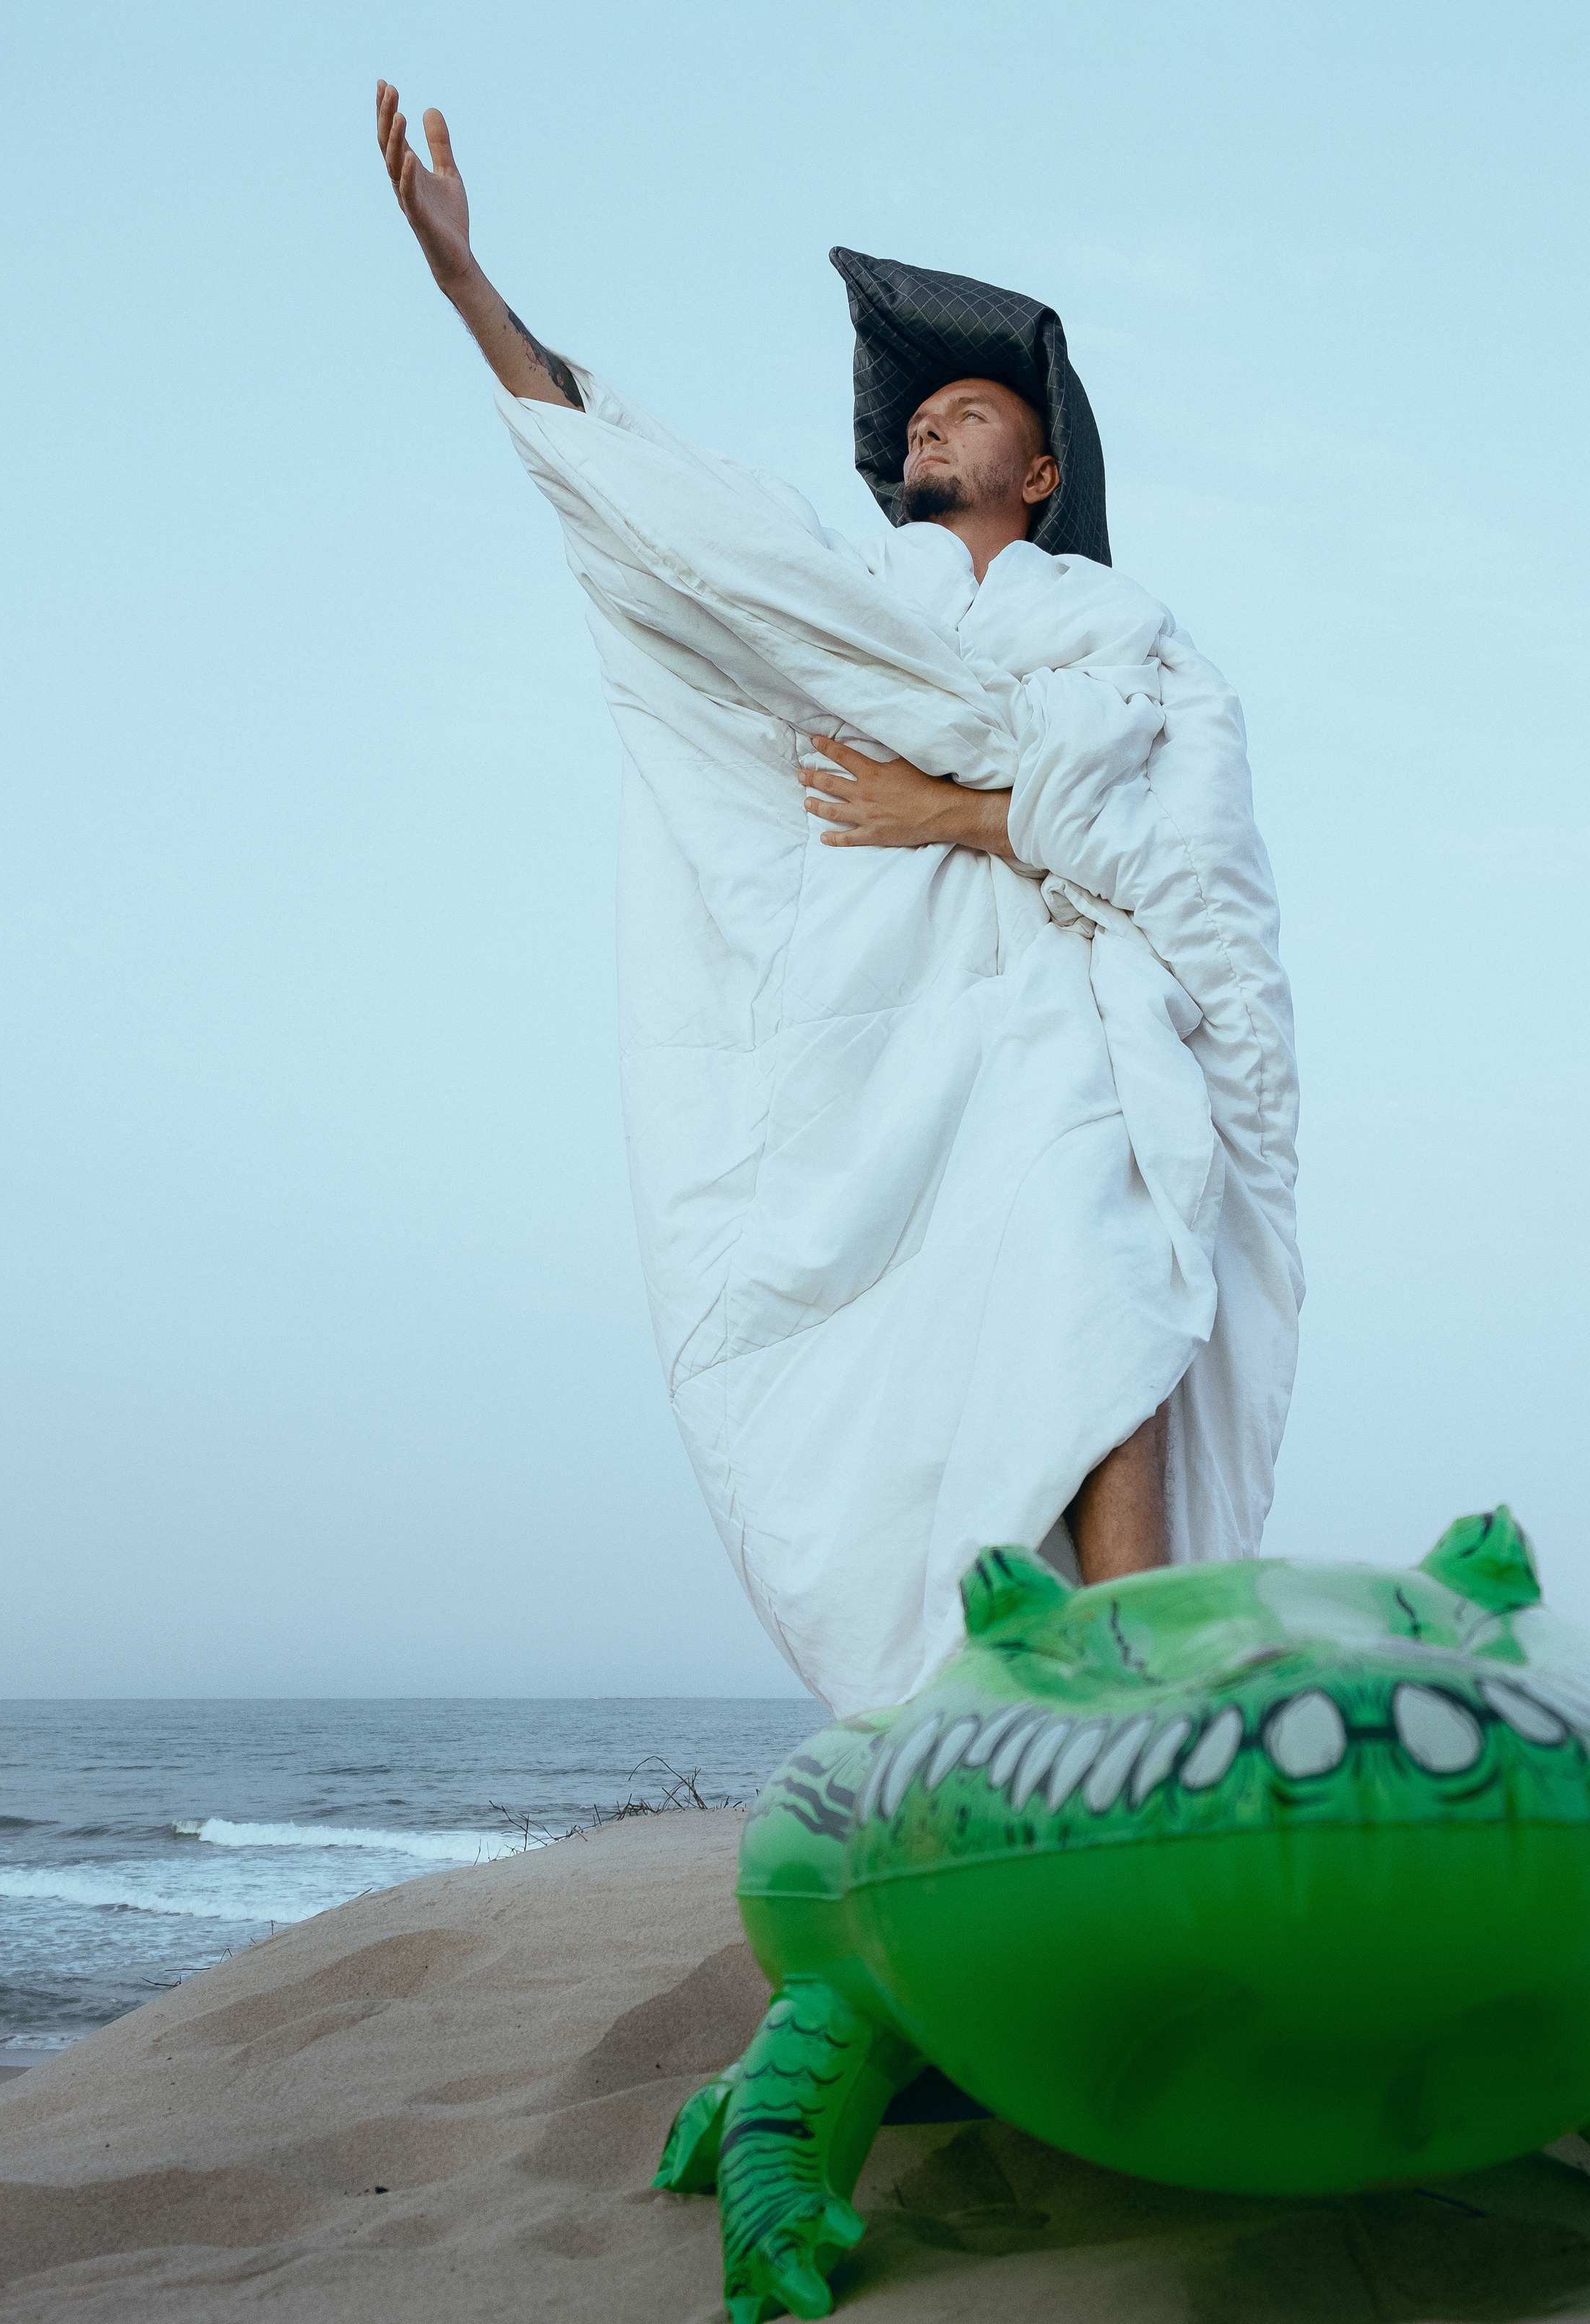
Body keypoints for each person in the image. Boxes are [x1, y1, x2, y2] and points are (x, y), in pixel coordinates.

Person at [375, 84, 1302, 1715]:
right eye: (917, 418)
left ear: (1042, 469)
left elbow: (1192, 866)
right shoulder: (834, 599)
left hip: (1070, 1037)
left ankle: (1156, 1706)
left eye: (967, 411)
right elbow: (659, 528)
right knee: (939, 1415)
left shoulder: (1123, 635)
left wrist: (951, 806)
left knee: (1106, 1276)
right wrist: (468, 287)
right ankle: (1003, 1725)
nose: (927, 429)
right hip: (875, 1082)